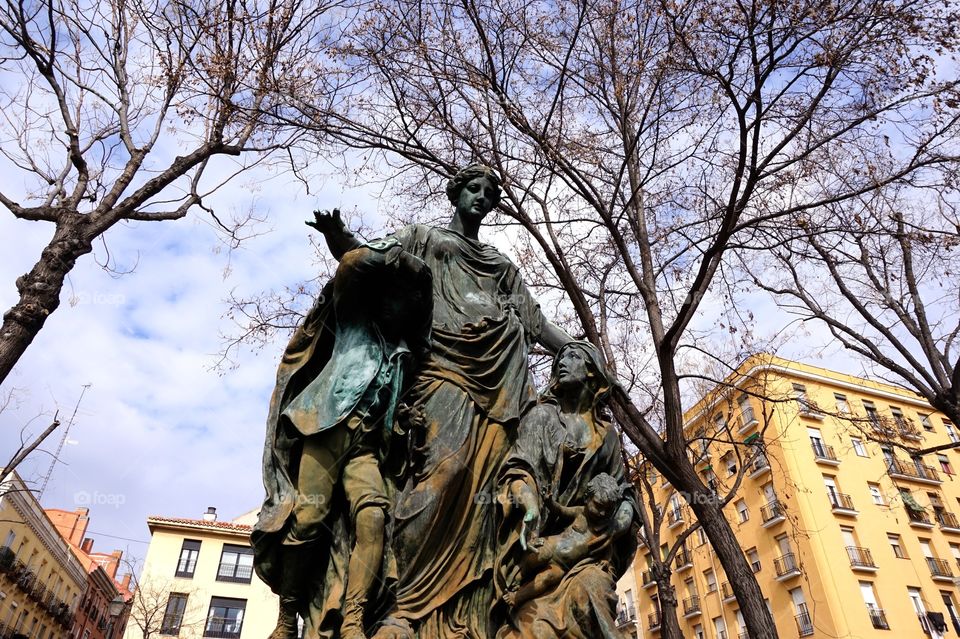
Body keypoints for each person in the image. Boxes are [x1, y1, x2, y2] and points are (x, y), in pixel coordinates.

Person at [252, 233, 433, 639]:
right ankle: (287, 617)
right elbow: (352, 265)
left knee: (374, 518)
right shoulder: (353, 322)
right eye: (390, 296)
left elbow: (394, 408)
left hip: (365, 449)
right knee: (309, 519)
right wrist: (393, 256)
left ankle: (353, 618)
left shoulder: (405, 356)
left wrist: (405, 420)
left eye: (402, 300)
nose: (394, 304)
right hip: (325, 431)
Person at [496, 341, 639, 639]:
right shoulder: (541, 417)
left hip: (587, 553)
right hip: (541, 542)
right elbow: (517, 470)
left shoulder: (607, 436)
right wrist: (530, 506)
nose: (560, 362)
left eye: (572, 356)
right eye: (559, 358)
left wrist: (620, 521)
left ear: (591, 372)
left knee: (592, 593)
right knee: (535, 630)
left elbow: (622, 490)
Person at [502, 473, 634, 611]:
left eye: (607, 510)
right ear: (587, 498)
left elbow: (607, 545)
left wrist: (606, 560)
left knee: (545, 579)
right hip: (553, 546)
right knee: (537, 555)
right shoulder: (580, 512)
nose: (602, 513)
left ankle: (517, 597)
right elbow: (561, 511)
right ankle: (519, 575)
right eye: (598, 505)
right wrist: (550, 502)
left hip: (562, 567)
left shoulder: (605, 530)